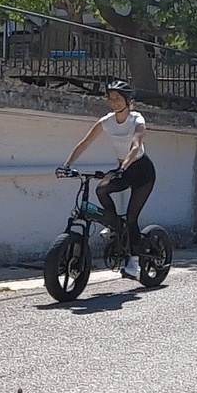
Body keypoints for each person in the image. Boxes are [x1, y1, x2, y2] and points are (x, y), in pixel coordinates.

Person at [61, 80, 155, 279]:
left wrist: (122, 167)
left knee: (131, 218)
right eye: (111, 99)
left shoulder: (136, 119)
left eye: (118, 99)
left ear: (128, 101)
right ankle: (113, 226)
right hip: (124, 170)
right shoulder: (106, 121)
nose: (114, 103)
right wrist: (67, 165)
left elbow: (136, 146)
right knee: (101, 189)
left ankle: (135, 262)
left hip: (142, 172)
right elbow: (85, 142)